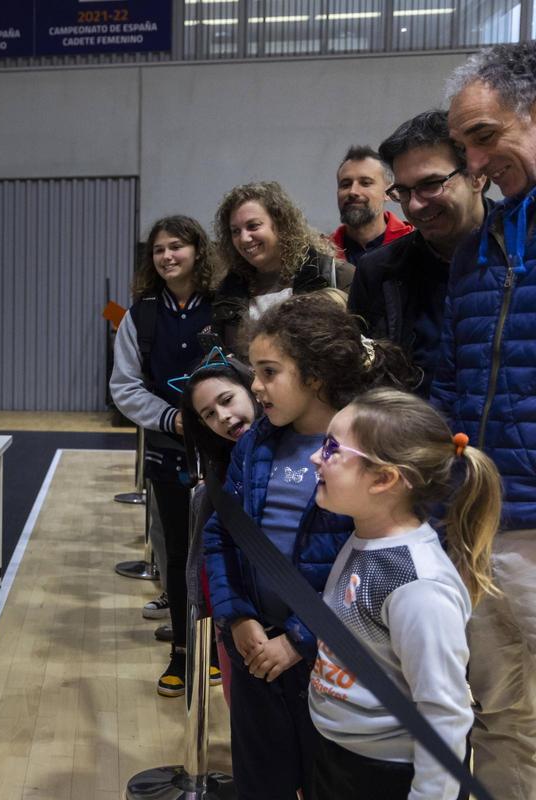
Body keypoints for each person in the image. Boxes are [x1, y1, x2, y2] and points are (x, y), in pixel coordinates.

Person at [202, 294, 414, 799]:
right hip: (255, 652)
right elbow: (221, 534)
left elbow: (374, 568)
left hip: (333, 664)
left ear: (315, 376)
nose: (255, 386)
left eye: (269, 372)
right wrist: (237, 617)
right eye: (254, 371)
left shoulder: (367, 453)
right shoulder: (255, 444)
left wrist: (299, 640)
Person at [307, 388, 499, 799]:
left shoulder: (419, 584)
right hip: (339, 753)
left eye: (332, 448)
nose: (315, 458)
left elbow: (444, 716)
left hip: (387, 773)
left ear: (384, 478)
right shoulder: (365, 538)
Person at [440, 41, 536, 799]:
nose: (474, 163)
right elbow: (453, 375)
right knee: (503, 716)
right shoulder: (477, 248)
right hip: (490, 526)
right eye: (464, 146)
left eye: (484, 135)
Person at [110, 215, 219, 697]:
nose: (168, 256)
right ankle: (182, 648)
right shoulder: (141, 315)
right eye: (159, 249)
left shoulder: (224, 306)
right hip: (167, 447)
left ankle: (215, 647)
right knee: (177, 553)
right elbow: (125, 386)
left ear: (198, 250)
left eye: (177, 246)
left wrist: (219, 417)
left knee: (218, 550)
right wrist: (171, 419)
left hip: (223, 449)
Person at [348, 111, 490, 398]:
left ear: (477, 176)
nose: (414, 205)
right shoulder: (378, 271)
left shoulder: (523, 253)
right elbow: (358, 380)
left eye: (430, 185)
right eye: (403, 191)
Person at [178, 349, 262, 707]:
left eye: (227, 400)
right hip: (236, 621)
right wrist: (234, 619)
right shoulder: (215, 482)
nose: (223, 417)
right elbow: (213, 558)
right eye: (209, 414)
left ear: (251, 387)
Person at [212, 181, 354, 361]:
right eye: (235, 231)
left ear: (281, 224)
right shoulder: (228, 291)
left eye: (253, 226)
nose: (244, 238)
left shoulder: (335, 275)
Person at [331, 146, 413, 266]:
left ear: (389, 192)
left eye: (365, 183)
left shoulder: (414, 246)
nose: (353, 191)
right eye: (345, 185)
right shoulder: (321, 254)